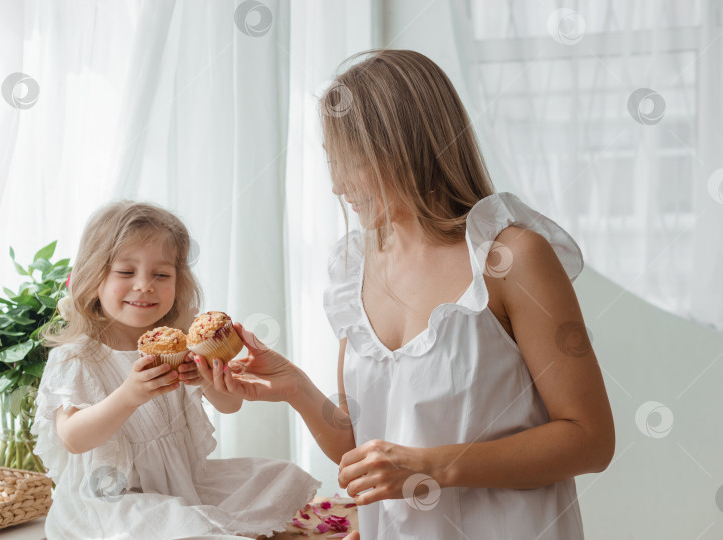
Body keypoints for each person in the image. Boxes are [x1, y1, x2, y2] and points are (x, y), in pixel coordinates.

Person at [195, 50, 615, 539]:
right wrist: (297, 389)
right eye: (332, 162)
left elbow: (590, 440)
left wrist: (432, 466)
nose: (336, 185)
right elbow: (363, 447)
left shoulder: (510, 256)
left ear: (403, 149)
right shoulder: (354, 269)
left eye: (349, 162)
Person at [33, 201, 320, 539]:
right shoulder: (78, 356)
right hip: (114, 499)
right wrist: (128, 396)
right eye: (126, 272)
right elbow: (73, 439)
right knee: (168, 521)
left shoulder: (184, 345)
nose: (144, 285)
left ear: (179, 282)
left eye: (162, 274)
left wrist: (209, 380)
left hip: (185, 484)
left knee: (276, 475)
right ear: (94, 277)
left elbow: (231, 405)